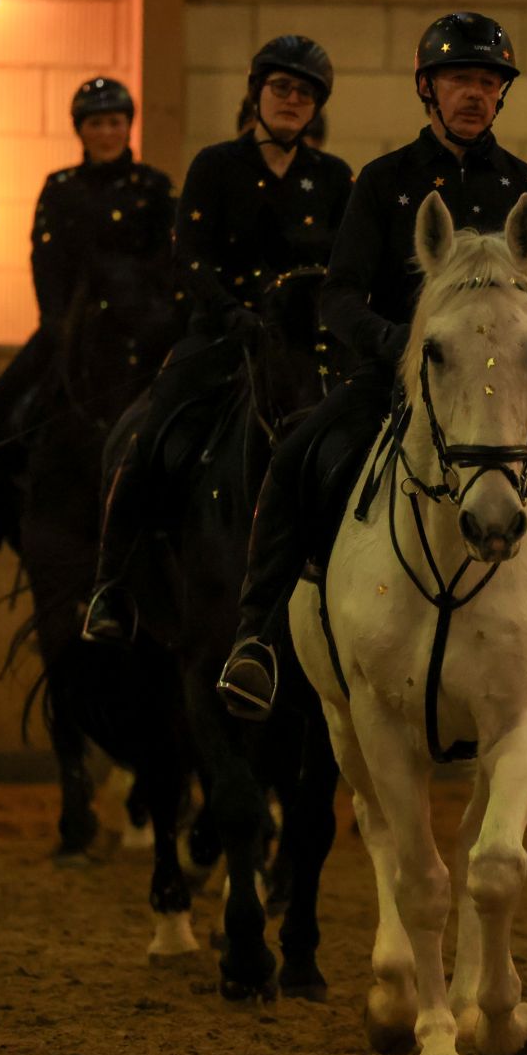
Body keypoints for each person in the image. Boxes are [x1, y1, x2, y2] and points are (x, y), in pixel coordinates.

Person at [214, 12, 527, 723]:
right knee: (293, 463)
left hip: (512, 392)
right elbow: (339, 296)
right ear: (428, 89)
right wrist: (397, 348)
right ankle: (255, 640)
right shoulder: (383, 183)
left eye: (488, 82)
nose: (475, 93)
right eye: (460, 79)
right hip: (398, 380)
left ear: (501, 95)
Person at [80, 36, 352, 641]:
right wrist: (230, 312)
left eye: (305, 93)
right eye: (281, 88)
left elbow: (347, 268)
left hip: (304, 347)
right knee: (152, 430)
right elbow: (190, 258)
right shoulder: (215, 165)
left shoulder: (334, 178)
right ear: (257, 93)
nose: (292, 100)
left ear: (317, 107)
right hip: (224, 334)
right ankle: (111, 583)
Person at [0, 77, 175, 558]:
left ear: (128, 126)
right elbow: (44, 257)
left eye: (114, 122)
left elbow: (166, 261)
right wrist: (56, 320)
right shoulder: (60, 189)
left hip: (143, 329)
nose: (107, 132)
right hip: (71, 325)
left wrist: (153, 315)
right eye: (96, 123)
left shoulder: (155, 188)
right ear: (80, 130)